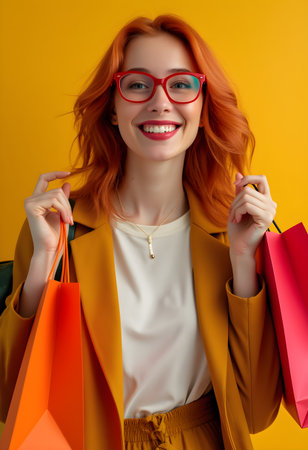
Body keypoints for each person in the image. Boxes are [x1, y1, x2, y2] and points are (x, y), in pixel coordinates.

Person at [0, 15, 282, 450]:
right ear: (113, 107)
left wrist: (245, 263)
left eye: (182, 84)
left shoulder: (235, 233)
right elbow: (10, 400)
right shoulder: (58, 229)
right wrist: (43, 263)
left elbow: (256, 411)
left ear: (203, 106)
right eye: (137, 84)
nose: (160, 102)